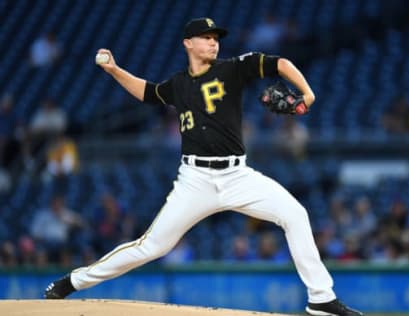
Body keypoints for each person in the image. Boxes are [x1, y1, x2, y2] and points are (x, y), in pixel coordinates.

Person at [44, 18, 362, 316]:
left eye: (216, 38)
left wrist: (307, 92)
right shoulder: (178, 85)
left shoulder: (233, 69)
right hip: (194, 180)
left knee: (295, 214)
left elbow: (280, 63)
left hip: (237, 175)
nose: (213, 43)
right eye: (206, 38)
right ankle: (72, 282)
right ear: (188, 44)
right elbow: (147, 92)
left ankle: (321, 299)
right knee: (150, 246)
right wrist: (114, 70)